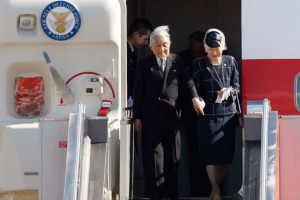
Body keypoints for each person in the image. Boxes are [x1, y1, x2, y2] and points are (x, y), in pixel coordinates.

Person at [133, 25, 205, 200]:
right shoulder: (144, 63)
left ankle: (172, 195)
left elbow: (187, 83)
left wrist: (195, 98)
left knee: (173, 160)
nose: (162, 48)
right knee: (154, 161)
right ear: (151, 46)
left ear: (170, 44)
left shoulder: (177, 60)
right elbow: (138, 91)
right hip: (151, 118)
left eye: (165, 44)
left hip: (172, 117)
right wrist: (137, 117)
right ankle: (155, 196)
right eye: (158, 45)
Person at [193, 28, 240, 200]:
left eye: (217, 48)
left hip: (228, 114)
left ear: (224, 46)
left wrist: (229, 92)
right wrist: (198, 99)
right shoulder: (198, 63)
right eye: (210, 48)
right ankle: (216, 189)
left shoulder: (231, 61)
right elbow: (195, 88)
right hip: (208, 115)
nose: (214, 52)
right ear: (205, 48)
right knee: (210, 155)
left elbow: (237, 86)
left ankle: (215, 188)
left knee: (225, 156)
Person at [178, 31, 210, 197]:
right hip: (189, 114)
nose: (198, 56)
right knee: (193, 154)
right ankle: (197, 192)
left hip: (211, 114)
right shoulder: (181, 58)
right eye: (195, 52)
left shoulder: (216, 56)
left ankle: (213, 191)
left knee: (212, 155)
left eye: (201, 52)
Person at [127, 18, 153, 106]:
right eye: (145, 39)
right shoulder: (124, 51)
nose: (146, 43)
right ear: (136, 34)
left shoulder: (132, 51)